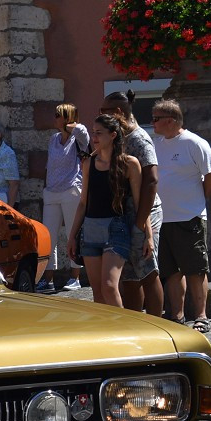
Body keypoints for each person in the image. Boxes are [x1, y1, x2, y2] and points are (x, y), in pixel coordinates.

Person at [151, 99, 211, 334]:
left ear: (170, 120)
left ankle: (201, 316)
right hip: (163, 218)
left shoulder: (194, 143)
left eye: (156, 118)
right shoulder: (156, 144)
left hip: (189, 216)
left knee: (195, 269)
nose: (153, 123)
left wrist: (197, 201)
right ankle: (176, 315)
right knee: (170, 270)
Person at [68, 114, 142, 308]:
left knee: (109, 286)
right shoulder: (88, 164)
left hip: (116, 229)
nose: (94, 137)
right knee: (98, 292)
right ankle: (107, 335)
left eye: (99, 133)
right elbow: (83, 203)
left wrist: (147, 235)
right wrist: (72, 235)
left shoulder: (130, 164)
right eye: (93, 133)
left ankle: (124, 331)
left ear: (113, 135)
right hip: (90, 228)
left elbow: (140, 203)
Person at [102, 90, 164, 316]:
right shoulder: (119, 138)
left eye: (104, 111)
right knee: (129, 274)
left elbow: (151, 180)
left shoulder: (139, 139)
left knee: (147, 271)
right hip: (124, 213)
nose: (101, 115)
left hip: (144, 213)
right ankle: (135, 324)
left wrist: (141, 223)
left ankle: (158, 326)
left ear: (118, 112)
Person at [38, 103, 89, 292]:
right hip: (52, 192)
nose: (54, 118)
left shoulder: (78, 138)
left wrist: (70, 124)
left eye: (58, 115)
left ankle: (75, 277)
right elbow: (49, 165)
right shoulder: (53, 139)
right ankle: (48, 279)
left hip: (71, 191)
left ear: (67, 118)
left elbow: (83, 131)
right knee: (48, 237)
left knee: (72, 235)